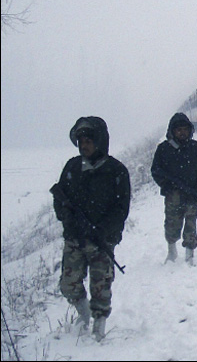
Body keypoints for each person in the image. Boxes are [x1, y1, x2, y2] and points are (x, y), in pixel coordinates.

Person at [50, 116, 131, 341]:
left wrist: (102, 230)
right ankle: (83, 313)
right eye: (81, 141)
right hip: (75, 237)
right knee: (69, 284)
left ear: (100, 141)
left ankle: (99, 324)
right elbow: (60, 199)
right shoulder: (72, 167)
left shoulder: (116, 170)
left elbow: (121, 208)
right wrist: (67, 219)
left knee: (101, 285)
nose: (84, 145)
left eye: (89, 140)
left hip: (101, 240)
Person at [151, 112, 197, 266]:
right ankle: (171, 250)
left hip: (192, 194)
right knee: (172, 223)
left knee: (191, 223)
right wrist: (167, 185)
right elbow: (156, 170)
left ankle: (190, 253)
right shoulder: (164, 149)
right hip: (173, 195)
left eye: (185, 129)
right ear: (172, 131)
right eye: (178, 130)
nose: (182, 132)